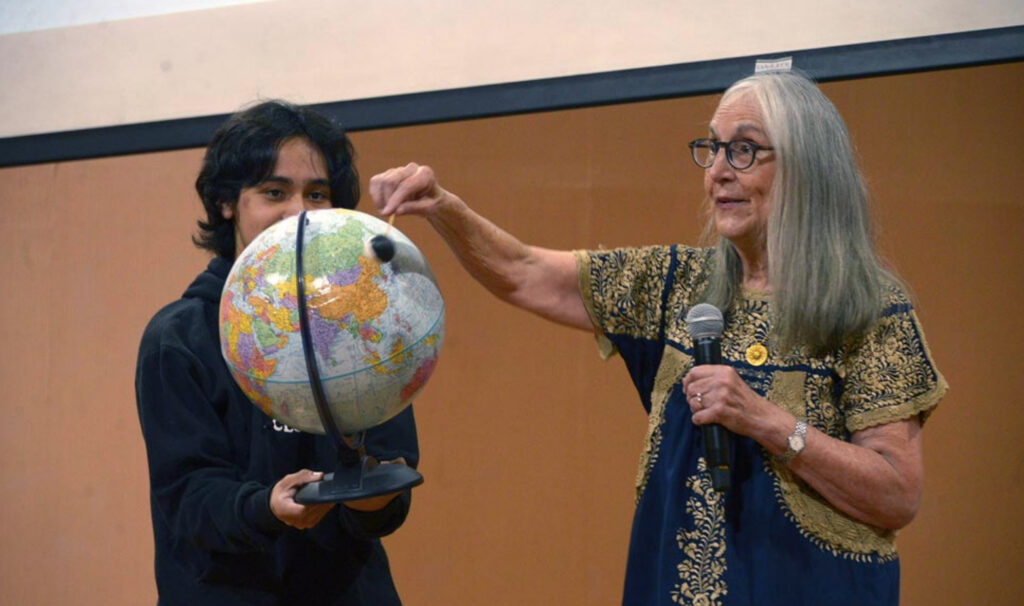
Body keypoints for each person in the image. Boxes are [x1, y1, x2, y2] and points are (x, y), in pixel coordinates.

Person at [368, 72, 947, 605]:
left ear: (806, 168)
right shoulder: (677, 286)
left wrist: (767, 422)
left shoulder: (868, 307)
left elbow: (896, 494)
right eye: (712, 147)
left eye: (743, 149)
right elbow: (523, 272)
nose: (718, 169)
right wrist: (444, 209)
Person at [135, 100, 419, 605]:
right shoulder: (179, 336)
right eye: (274, 192)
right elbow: (188, 498)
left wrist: (373, 499)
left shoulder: (364, 322)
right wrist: (265, 506)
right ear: (227, 203)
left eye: (317, 194)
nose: (299, 214)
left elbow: (388, 486)